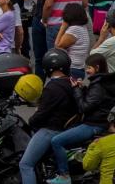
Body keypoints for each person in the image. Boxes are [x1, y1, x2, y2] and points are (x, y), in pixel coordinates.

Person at [49, 55, 115, 184]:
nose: (86, 70)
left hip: (94, 125)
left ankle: (64, 175)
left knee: (56, 141)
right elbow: (96, 101)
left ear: (97, 67)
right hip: (99, 122)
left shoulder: (98, 86)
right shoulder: (102, 82)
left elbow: (84, 107)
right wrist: (83, 89)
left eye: (89, 68)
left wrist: (76, 90)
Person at [20, 49, 80, 184]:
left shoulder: (52, 88)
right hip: (68, 127)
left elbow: (41, 115)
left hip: (52, 129)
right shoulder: (72, 82)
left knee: (26, 164)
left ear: (47, 68)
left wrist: (30, 121)